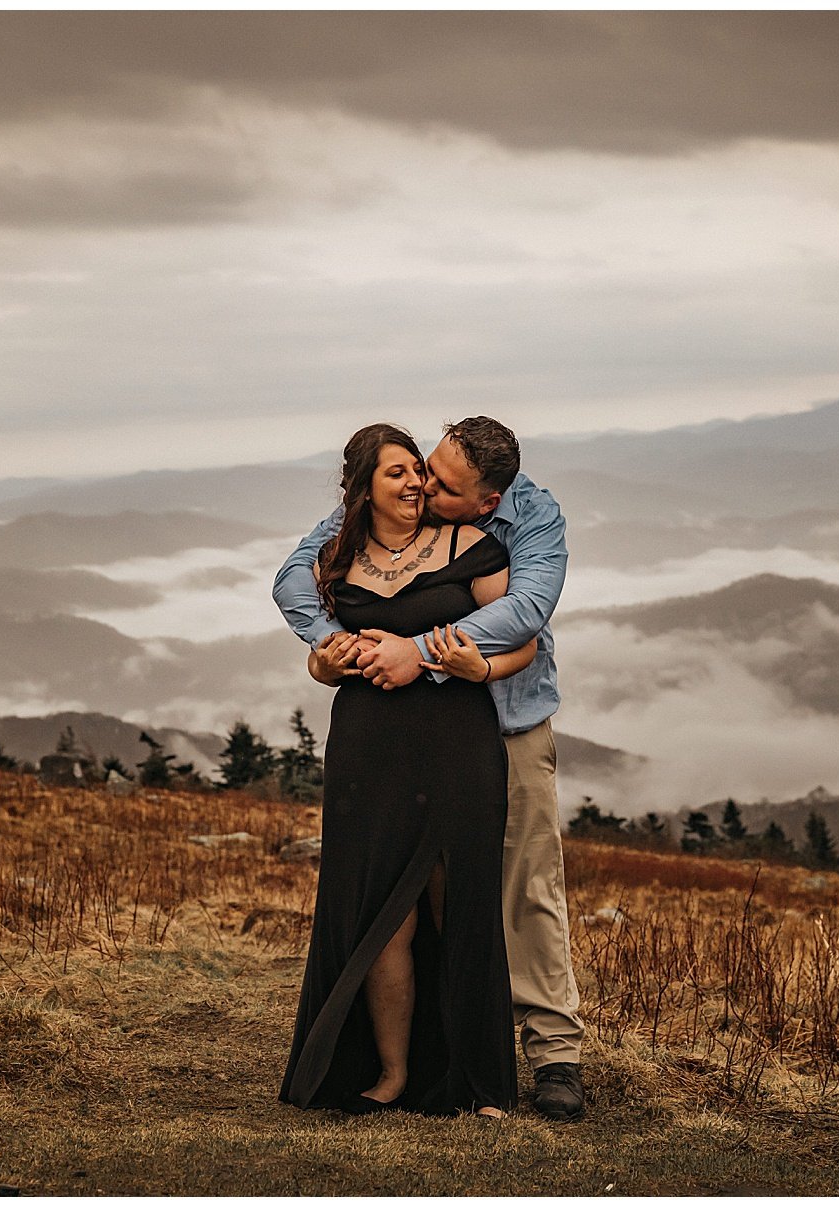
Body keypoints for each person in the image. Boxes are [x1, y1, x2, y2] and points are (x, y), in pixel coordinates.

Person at [274, 416, 586, 1122]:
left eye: (442, 482)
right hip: (391, 743)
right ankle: (401, 1061)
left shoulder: (526, 519)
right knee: (397, 905)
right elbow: (300, 569)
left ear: (484, 500)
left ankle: (552, 1052)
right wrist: (331, 647)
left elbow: (527, 613)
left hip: (505, 718)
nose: (424, 483)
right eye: (423, 466)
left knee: (523, 885)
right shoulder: (406, 494)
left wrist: (417, 650)